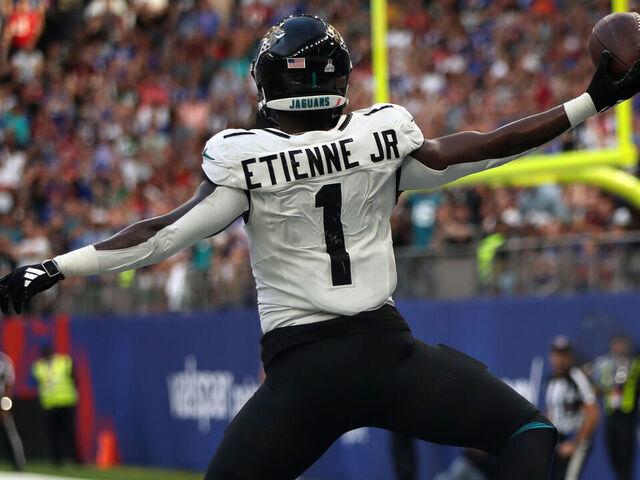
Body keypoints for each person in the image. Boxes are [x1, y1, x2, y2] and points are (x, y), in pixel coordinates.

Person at [1, 14, 639, 480]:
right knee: (528, 433)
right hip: (388, 356)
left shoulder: (244, 157)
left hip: (303, 377)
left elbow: (158, 237)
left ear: (273, 81)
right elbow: (487, 145)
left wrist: (53, 268)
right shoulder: (381, 138)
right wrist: (592, 101)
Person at [545, 336, 599, 480]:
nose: (560, 359)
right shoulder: (551, 380)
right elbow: (551, 413)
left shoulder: (577, 378)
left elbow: (593, 415)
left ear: (570, 356)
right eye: (557, 354)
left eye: (564, 354)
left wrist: (574, 443)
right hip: (559, 440)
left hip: (576, 438)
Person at [592, 335, 640, 480]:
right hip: (611, 416)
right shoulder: (606, 366)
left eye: (621, 345)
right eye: (615, 345)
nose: (618, 348)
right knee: (613, 455)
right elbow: (599, 387)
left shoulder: (636, 364)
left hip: (628, 416)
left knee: (626, 456)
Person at [31, 344, 79, 465]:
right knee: (53, 434)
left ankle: (76, 459)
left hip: (65, 401)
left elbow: (75, 377)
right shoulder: (38, 366)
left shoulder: (63, 362)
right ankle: (57, 460)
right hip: (49, 404)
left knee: (68, 432)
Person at [0, 351, 25, 471]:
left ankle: (18, 462)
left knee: (9, 431)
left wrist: (5, 405)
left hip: (1, 399)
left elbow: (8, 384)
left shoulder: (4, 361)